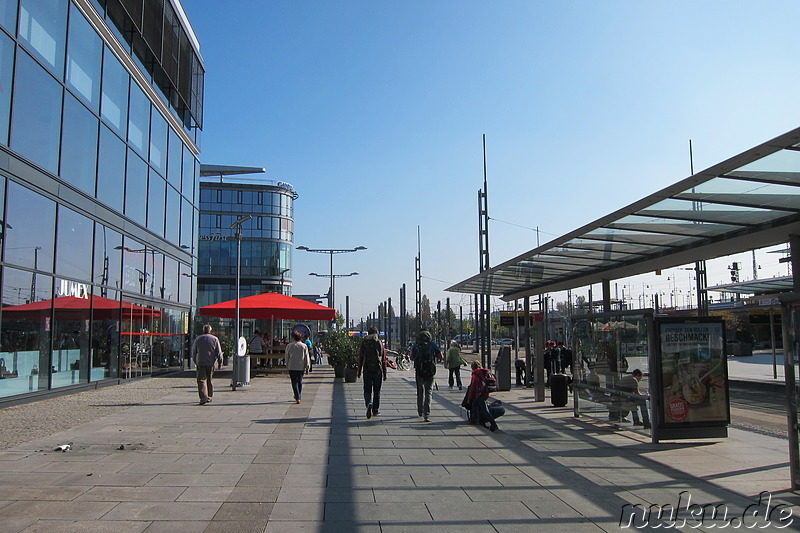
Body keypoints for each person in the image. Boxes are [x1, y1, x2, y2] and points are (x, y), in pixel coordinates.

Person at [357, 326, 387, 418]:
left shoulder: (364, 342)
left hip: (367, 369)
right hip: (377, 370)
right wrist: (385, 373)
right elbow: (383, 359)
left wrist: (359, 371)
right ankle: (375, 410)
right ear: (376, 332)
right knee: (377, 391)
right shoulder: (379, 342)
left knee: (367, 390)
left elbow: (361, 357)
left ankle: (368, 403)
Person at [411, 329, 441, 422]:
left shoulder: (416, 345)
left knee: (420, 391)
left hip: (419, 371)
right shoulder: (432, 344)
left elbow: (411, 357)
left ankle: (420, 411)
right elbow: (441, 355)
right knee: (428, 392)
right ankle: (426, 414)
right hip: (430, 371)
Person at [465, 360, 504, 431]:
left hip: (479, 394)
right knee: (475, 404)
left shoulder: (475, 374)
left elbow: (472, 387)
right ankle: (476, 420)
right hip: (485, 393)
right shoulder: (484, 373)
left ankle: (493, 424)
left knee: (485, 410)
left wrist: (468, 399)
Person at [192, 324, 223, 405]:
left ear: (203, 330)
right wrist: (220, 362)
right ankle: (209, 396)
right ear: (210, 331)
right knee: (209, 379)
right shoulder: (215, 339)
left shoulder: (198, 339)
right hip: (210, 362)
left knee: (201, 380)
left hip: (201, 362)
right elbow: (219, 352)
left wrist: (195, 360)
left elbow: (194, 351)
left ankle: (203, 397)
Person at [285, 330, 310, 403]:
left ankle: (297, 396)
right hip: (301, 366)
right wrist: (307, 367)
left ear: (293, 337)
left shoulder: (289, 345)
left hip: (292, 366)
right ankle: (298, 395)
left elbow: (287, 356)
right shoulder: (304, 346)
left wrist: (287, 365)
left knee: (294, 382)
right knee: (299, 381)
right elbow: (306, 357)